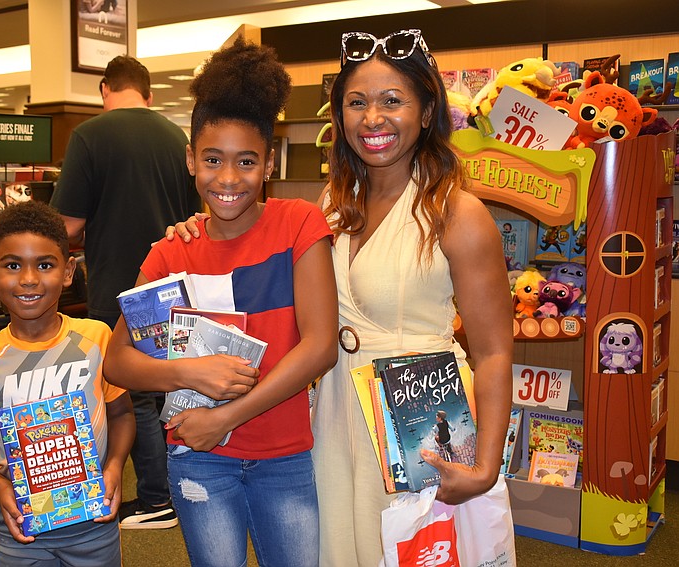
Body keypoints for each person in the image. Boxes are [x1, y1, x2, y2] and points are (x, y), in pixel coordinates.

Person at [169, 29, 513, 567]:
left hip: (420, 414)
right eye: (357, 102)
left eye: (392, 101)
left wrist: (486, 463)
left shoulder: (458, 213)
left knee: (419, 550)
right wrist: (200, 225)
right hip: (333, 413)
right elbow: (258, 234)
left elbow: (494, 351)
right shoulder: (332, 204)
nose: (372, 118)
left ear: (426, 113)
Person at [104, 38, 338, 567]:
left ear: (269, 162)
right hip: (199, 459)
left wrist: (226, 413)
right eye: (212, 160)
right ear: (190, 159)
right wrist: (193, 373)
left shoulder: (299, 224)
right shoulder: (171, 251)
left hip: (285, 456)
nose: (228, 178)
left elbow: (321, 346)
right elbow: (117, 360)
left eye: (246, 161)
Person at [50, 54, 201, 530]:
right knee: (169, 385)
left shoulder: (90, 136)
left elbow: (68, 223)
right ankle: (179, 487)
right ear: (149, 94)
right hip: (175, 280)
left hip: (120, 283)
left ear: (104, 91)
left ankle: (157, 498)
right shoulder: (177, 137)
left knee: (130, 392)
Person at [0, 200, 135, 567]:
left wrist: (114, 467)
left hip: (94, 524)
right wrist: (0, 486)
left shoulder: (97, 338)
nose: (29, 279)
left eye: (45, 265)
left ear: (68, 271)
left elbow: (123, 414)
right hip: (20, 530)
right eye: (12, 265)